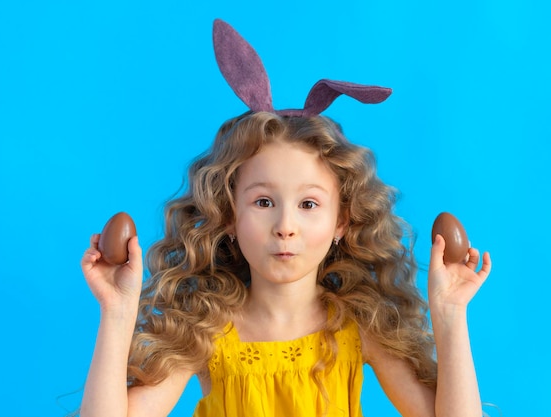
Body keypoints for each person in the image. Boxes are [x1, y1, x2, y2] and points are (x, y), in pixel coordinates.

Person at [79, 19, 491, 417]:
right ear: (228, 216)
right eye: (262, 202)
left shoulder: (356, 328)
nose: (285, 226)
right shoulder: (207, 331)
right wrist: (116, 312)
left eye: (308, 205)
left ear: (342, 222)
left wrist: (450, 314)